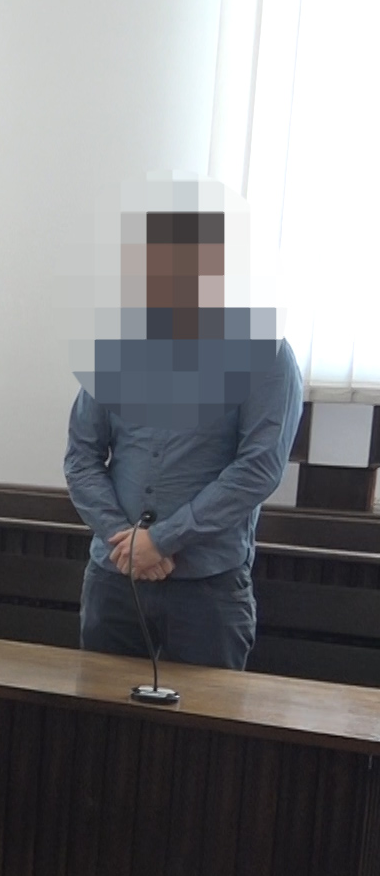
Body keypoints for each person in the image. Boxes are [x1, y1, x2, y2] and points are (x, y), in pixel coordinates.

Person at [63, 189, 302, 670]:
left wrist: (162, 540)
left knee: (206, 720)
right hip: (114, 577)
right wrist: (126, 540)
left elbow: (259, 469)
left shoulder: (267, 353)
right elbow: (81, 458)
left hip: (207, 589)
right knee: (97, 715)